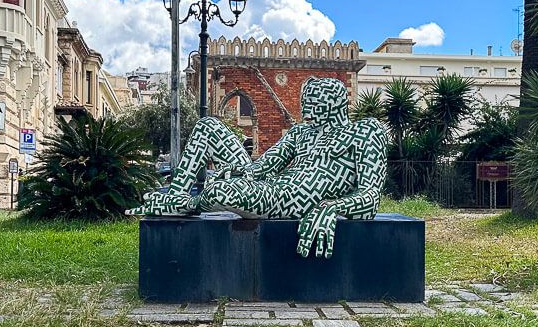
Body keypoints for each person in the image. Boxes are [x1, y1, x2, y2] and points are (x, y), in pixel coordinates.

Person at [132, 77, 387, 258]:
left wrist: (333, 208)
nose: (306, 110)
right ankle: (178, 193)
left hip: (287, 199)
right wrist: (245, 172)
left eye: (313, 104)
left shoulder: (364, 132)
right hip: (269, 189)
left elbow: (370, 196)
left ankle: (189, 204)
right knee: (208, 125)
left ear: (335, 103)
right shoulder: (302, 132)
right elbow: (266, 164)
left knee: (223, 191)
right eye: (305, 103)